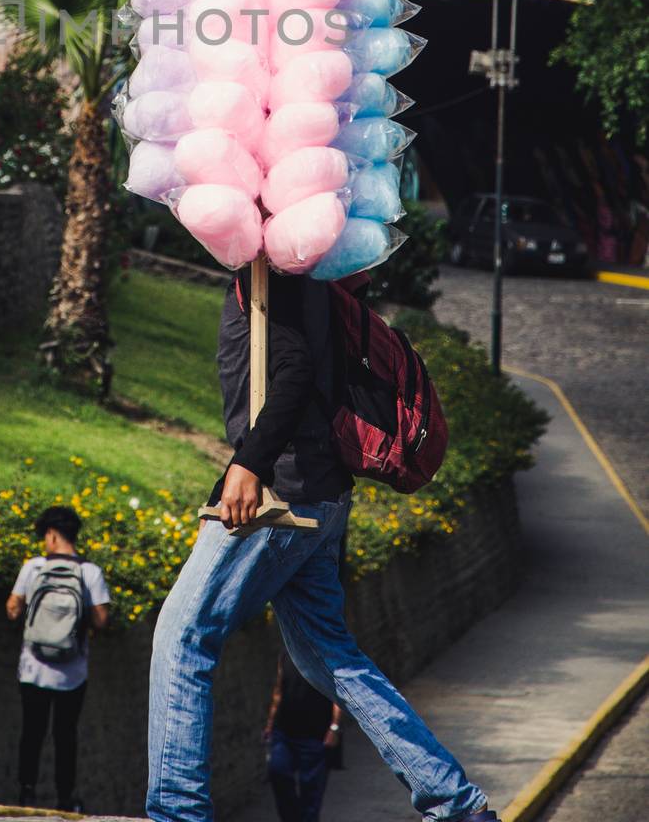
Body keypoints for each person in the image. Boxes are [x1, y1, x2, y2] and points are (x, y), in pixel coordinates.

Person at [146, 268, 502, 822]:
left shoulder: (275, 277)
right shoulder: (308, 281)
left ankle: (176, 811)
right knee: (330, 659)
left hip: (281, 494)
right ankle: (454, 803)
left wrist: (247, 463)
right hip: (323, 496)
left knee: (183, 637)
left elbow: (293, 371)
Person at [6, 504, 111, 811]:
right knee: (65, 735)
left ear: (51, 535)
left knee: (32, 731)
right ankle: (65, 799)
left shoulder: (33, 567)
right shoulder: (90, 572)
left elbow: (12, 609)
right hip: (72, 671)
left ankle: (26, 793)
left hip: (33, 668)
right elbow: (102, 620)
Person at [263, 653, 342, 822]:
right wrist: (270, 723)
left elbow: (338, 694)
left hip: (316, 737)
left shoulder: (325, 655)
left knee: (311, 794)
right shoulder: (285, 655)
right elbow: (278, 690)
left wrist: (334, 728)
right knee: (278, 771)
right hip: (284, 732)